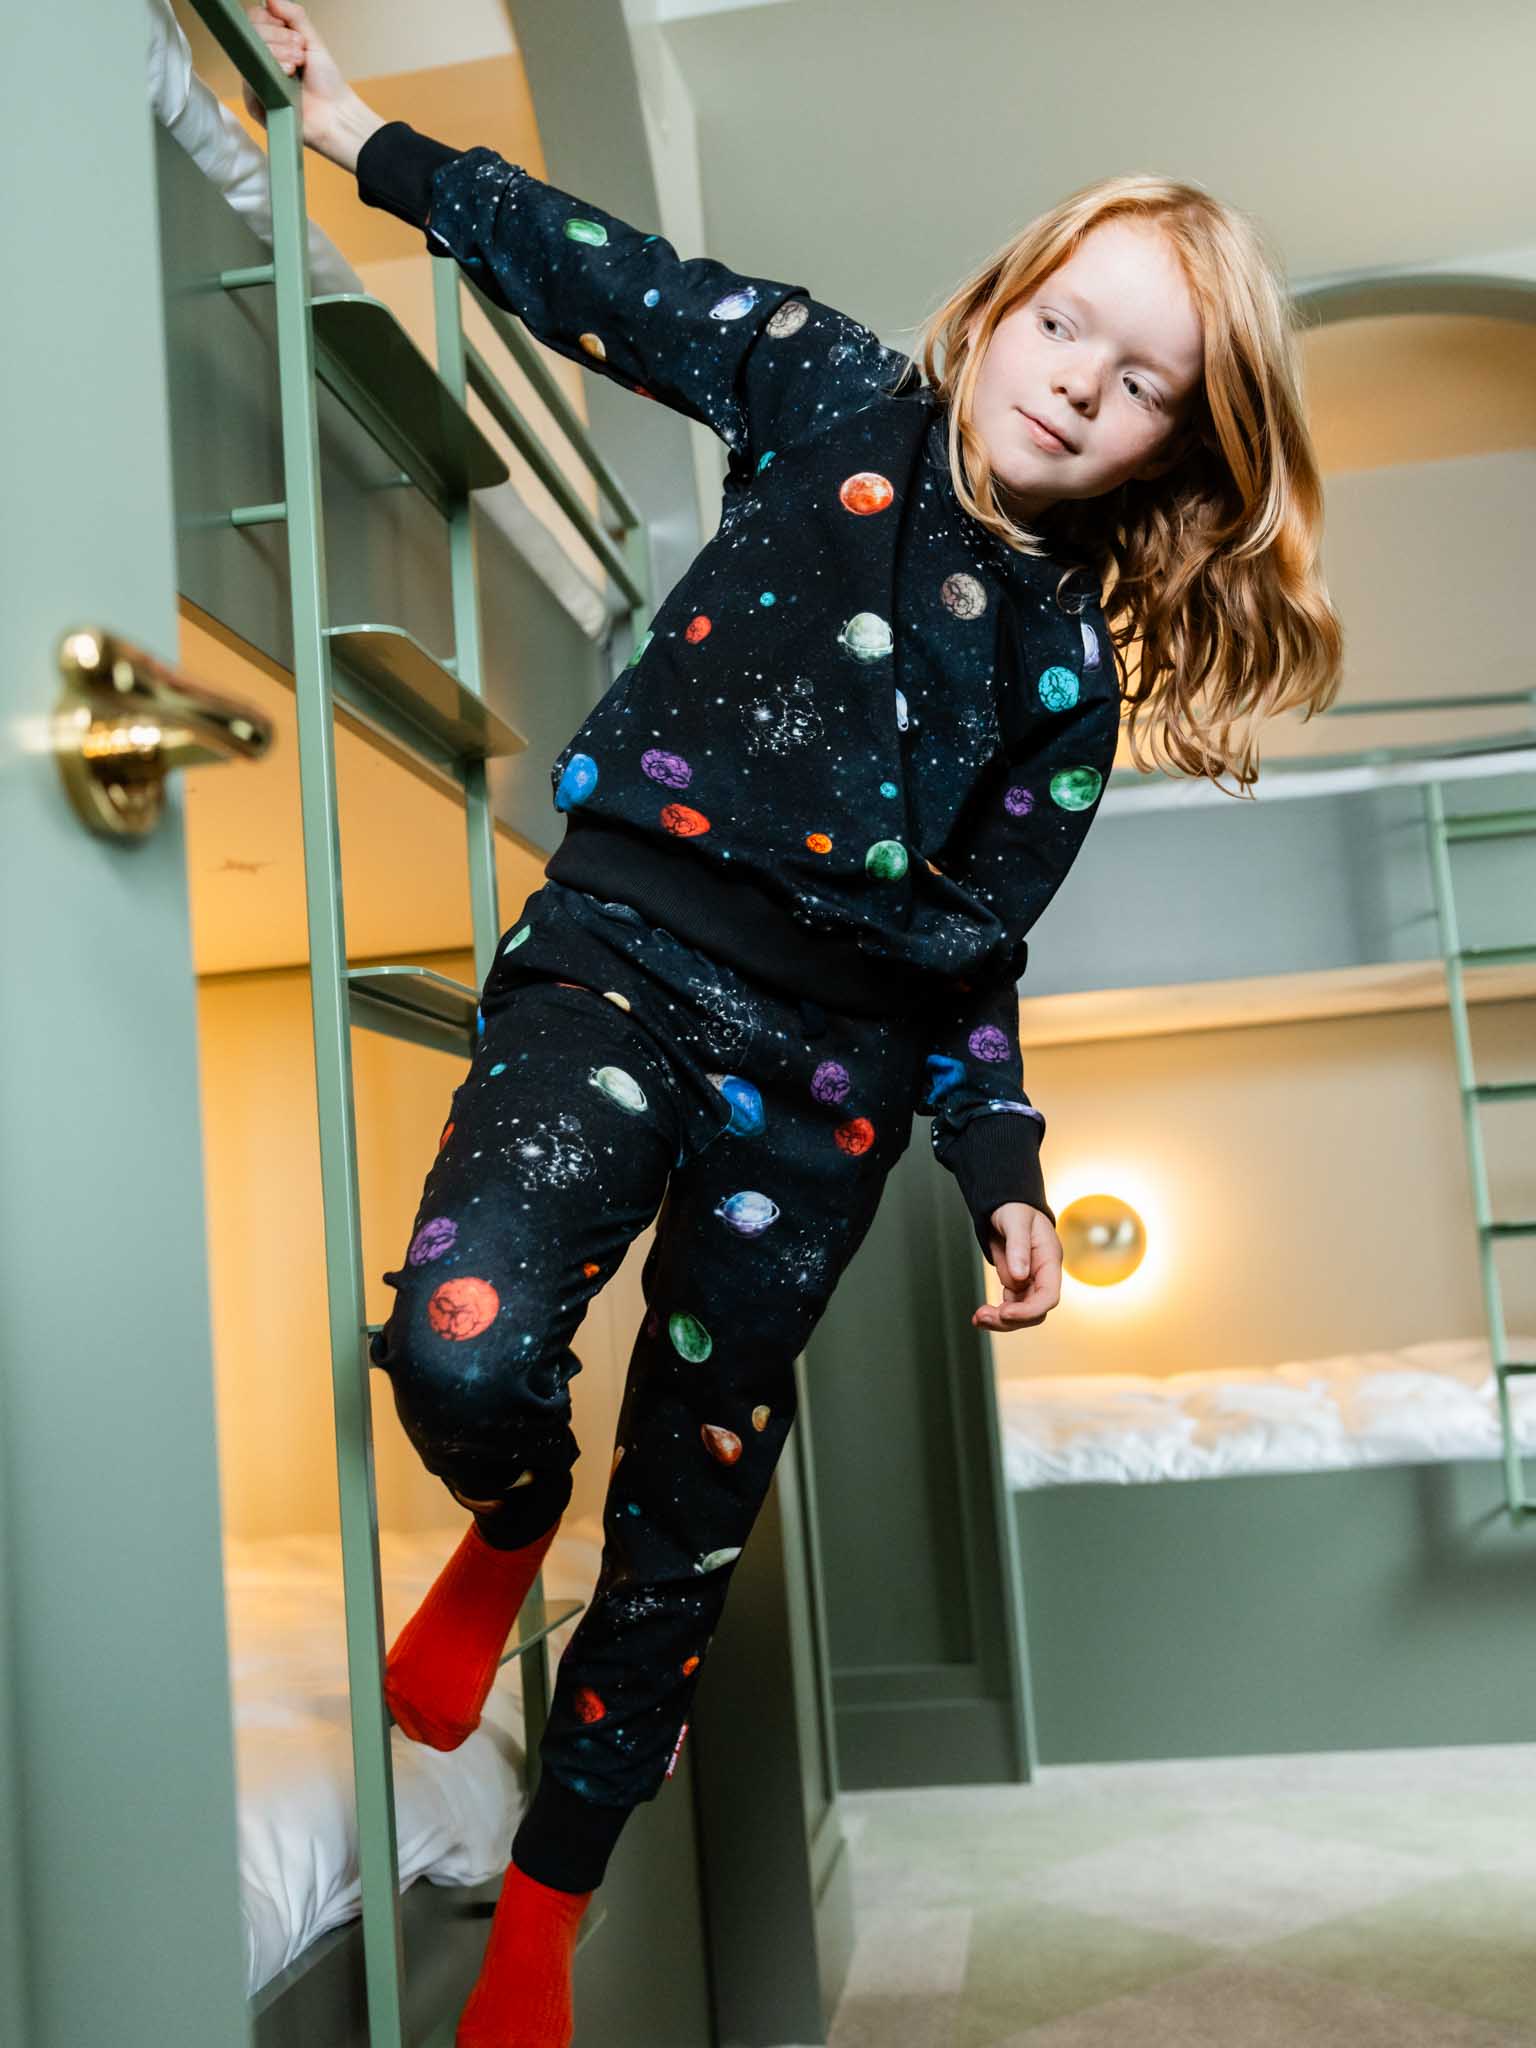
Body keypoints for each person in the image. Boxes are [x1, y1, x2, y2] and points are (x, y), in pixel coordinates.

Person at [244, 6, 1343, 2042]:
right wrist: (362, 134)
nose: (1078, 383)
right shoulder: (827, 384)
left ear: (1177, 450)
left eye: (1141, 385)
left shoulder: (1065, 682)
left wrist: (1001, 1162)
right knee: (462, 1335)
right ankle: (507, 1520)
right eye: (1064, 329)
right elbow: (603, 278)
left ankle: (550, 1906)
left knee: (692, 1500)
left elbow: (973, 949)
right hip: (619, 962)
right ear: (998, 307)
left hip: (825, 1091)